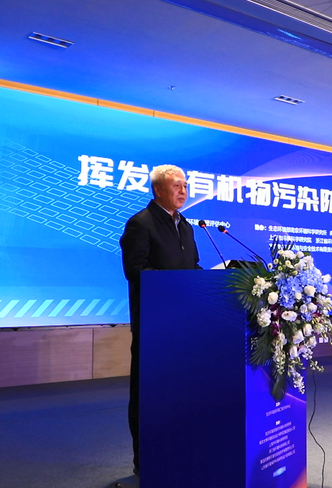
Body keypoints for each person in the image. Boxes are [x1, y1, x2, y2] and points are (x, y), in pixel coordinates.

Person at [118, 164, 201, 481]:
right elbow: (135, 269)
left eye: (185, 185)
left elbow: (192, 267)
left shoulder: (186, 226)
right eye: (176, 185)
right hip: (153, 327)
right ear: (157, 190)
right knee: (147, 395)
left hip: (185, 326)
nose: (183, 190)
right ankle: (145, 463)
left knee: (180, 392)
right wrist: (174, 284)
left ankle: (176, 452)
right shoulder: (140, 223)